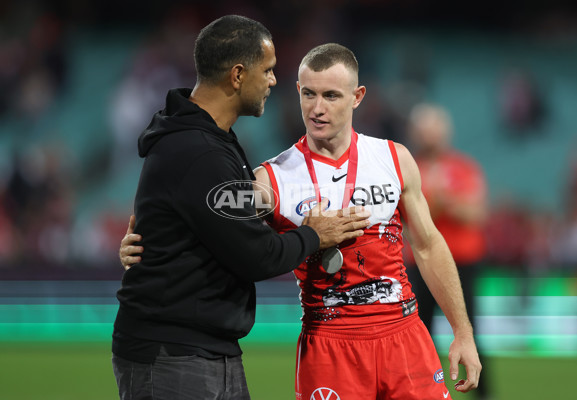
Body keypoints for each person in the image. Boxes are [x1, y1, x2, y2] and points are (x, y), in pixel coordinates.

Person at [121, 43, 482, 400]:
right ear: (297, 91)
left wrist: (462, 332)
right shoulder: (270, 180)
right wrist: (151, 238)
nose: (317, 108)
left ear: (357, 96)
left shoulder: (394, 159)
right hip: (330, 347)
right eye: (308, 94)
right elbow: (212, 221)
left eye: (331, 96)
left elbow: (428, 245)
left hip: (404, 336)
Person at [112, 16, 371, 400]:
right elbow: (256, 254)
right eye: (266, 70)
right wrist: (316, 235)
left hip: (200, 348)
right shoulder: (201, 153)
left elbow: (205, 222)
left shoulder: (207, 140)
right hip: (174, 355)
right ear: (237, 75)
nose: (272, 81)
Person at [404, 103, 490, 399]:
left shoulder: (463, 167)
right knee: (418, 334)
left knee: (469, 331)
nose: (429, 137)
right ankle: (420, 391)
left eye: (433, 131)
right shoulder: (408, 166)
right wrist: (444, 201)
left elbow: (475, 213)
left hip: (463, 261)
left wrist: (437, 201)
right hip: (419, 264)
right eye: (423, 131)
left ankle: (484, 392)